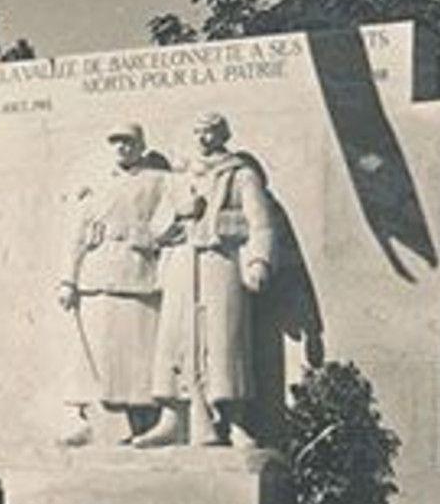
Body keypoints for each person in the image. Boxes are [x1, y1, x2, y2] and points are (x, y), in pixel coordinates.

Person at [136, 111, 277, 448]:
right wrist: (179, 212)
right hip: (182, 261)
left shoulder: (241, 175)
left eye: (210, 131)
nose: (203, 137)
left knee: (225, 338)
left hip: (221, 260)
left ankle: (233, 421)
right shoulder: (178, 177)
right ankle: (172, 418)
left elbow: (262, 223)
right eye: (198, 131)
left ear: (222, 134)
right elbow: (154, 230)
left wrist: (259, 261)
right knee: (176, 338)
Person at [58, 122, 172, 442]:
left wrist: (146, 237)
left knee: (139, 360)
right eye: (116, 142)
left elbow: (174, 223)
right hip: (97, 278)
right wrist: (68, 279)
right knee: (95, 358)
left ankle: (144, 426)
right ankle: (89, 422)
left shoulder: (159, 181)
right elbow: (77, 234)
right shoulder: (96, 184)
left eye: (128, 142)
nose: (122, 148)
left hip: (138, 276)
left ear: (140, 145)